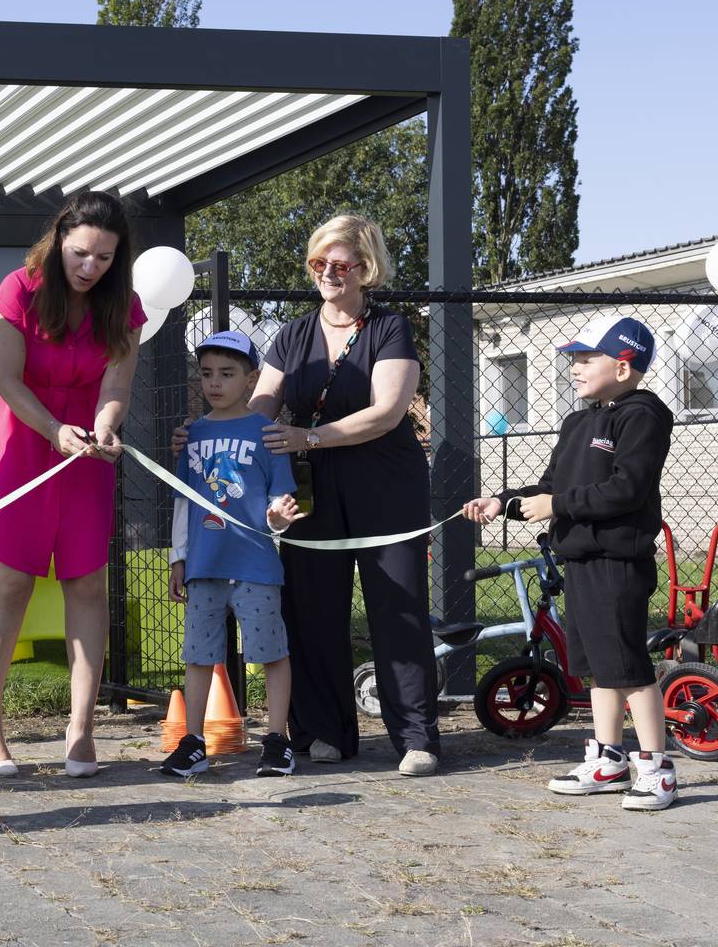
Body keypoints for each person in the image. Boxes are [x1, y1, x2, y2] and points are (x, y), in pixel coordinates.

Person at [176, 214, 441, 776]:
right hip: (311, 491)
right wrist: (209, 429)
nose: (326, 273)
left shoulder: (389, 328)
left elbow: (387, 411)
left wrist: (309, 437)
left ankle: (415, 736)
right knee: (313, 610)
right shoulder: (293, 334)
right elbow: (259, 407)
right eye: (318, 263)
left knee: (398, 610)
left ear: (366, 267)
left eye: (338, 264)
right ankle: (323, 732)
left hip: (385, 485)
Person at [463, 316, 678, 810]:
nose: (575, 368)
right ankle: (609, 760)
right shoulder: (578, 422)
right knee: (600, 671)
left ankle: (656, 768)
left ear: (624, 367)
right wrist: (503, 501)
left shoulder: (643, 415)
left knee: (628, 668)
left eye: (587, 359)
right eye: (573, 359)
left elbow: (625, 489)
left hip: (616, 564)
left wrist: (558, 506)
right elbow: (549, 487)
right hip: (578, 561)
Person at [0, 190, 144, 778]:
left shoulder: (125, 308)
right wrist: (52, 428)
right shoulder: (19, 289)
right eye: (80, 253)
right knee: (12, 581)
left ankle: (81, 729)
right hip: (22, 442)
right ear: (59, 239)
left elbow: (116, 387)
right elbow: (4, 378)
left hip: (82, 456)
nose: (90, 267)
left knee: (88, 584)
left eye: (104, 258)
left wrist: (104, 429)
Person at [163, 331, 308, 778]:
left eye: (227, 373)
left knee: (270, 652)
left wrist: (279, 519)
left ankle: (277, 741)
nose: (215, 383)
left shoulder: (267, 435)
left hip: (255, 568)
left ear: (251, 379)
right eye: (207, 374)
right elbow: (185, 503)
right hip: (204, 569)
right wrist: (178, 558)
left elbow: (277, 507)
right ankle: (193, 744)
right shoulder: (191, 436)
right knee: (199, 655)